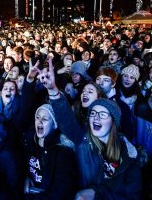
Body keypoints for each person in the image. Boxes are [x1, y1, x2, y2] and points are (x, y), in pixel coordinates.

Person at [43, 58, 142, 199]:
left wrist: (97, 195)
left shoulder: (128, 155)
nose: (96, 118)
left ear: (113, 122)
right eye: (93, 114)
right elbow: (66, 120)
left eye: (102, 114)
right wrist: (53, 89)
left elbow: (132, 196)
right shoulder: (82, 138)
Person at [23, 104, 77, 199]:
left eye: (45, 119)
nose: (39, 121)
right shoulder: (30, 142)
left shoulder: (63, 152)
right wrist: (26, 177)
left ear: (54, 124)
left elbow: (61, 192)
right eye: (37, 117)